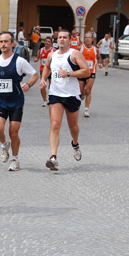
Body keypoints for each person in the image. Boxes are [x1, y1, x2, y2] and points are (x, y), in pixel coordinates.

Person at [0, 31, 39, 171]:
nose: (3, 44)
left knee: (13, 132)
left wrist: (28, 84)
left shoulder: (19, 61)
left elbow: (34, 74)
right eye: (1, 42)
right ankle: (4, 144)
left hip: (16, 102)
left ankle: (15, 159)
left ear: (12, 43)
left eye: (6, 41)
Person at [39, 28, 90, 171]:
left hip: (72, 95)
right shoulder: (52, 55)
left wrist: (68, 73)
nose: (61, 39)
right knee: (55, 125)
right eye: (59, 37)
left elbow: (86, 70)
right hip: (55, 94)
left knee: (73, 127)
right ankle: (53, 157)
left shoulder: (74, 54)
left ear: (69, 40)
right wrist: (43, 79)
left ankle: (75, 143)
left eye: (64, 37)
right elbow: (47, 68)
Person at [79, 32, 101, 118]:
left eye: (89, 37)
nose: (87, 39)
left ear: (92, 39)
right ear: (84, 39)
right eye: (86, 37)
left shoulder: (96, 49)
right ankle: (82, 93)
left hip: (91, 72)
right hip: (81, 72)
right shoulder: (80, 48)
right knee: (81, 92)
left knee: (88, 90)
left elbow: (99, 57)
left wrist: (100, 63)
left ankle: (86, 109)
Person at [34, 37, 54, 106]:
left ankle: (51, 98)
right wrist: (36, 59)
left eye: (49, 42)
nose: (47, 43)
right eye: (46, 41)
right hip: (43, 70)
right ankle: (45, 100)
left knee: (52, 85)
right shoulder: (41, 50)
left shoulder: (53, 50)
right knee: (42, 85)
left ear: (51, 43)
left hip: (52, 70)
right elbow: (38, 57)